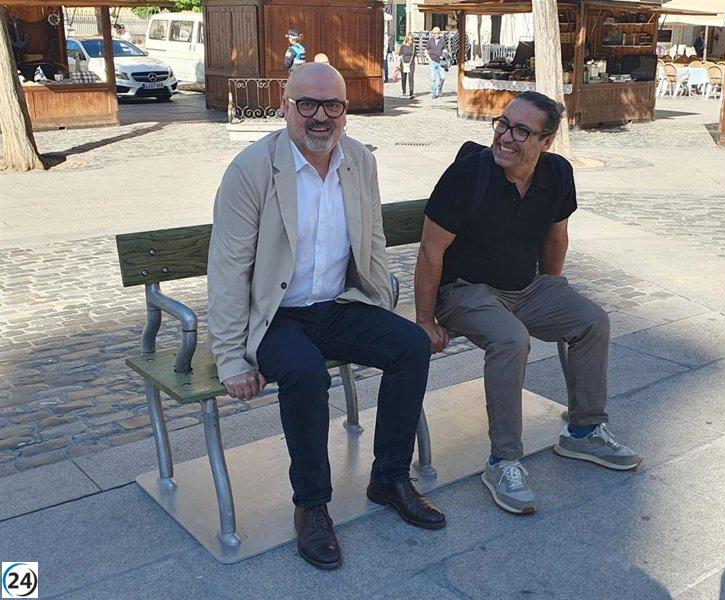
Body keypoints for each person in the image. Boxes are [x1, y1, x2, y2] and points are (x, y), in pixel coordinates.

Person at [207, 63, 445, 571]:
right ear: (284, 106)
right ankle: (312, 506)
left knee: (410, 345)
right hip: (275, 317)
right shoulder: (252, 169)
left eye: (333, 105)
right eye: (307, 104)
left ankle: (389, 478)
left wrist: (381, 308)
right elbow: (227, 269)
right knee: (305, 371)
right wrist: (229, 357)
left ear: (346, 110)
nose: (321, 116)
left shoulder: (359, 160)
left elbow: (372, 242)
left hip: (336, 307)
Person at [414, 91, 642, 515]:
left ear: (546, 141)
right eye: (503, 124)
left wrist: (551, 290)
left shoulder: (556, 174)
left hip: (526, 287)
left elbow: (557, 237)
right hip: (464, 291)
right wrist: (425, 320)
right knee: (511, 339)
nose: (506, 137)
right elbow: (430, 251)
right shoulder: (467, 176)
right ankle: (503, 460)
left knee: (593, 320)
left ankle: (583, 432)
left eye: (522, 130)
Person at [424, 27, 447, 98]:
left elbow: (445, 50)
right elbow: (425, 50)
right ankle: (433, 93)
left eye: (438, 33)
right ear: (432, 34)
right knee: (433, 78)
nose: (436, 34)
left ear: (440, 33)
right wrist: (428, 58)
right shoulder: (430, 41)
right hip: (432, 61)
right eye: (434, 33)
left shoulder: (442, 41)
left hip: (440, 61)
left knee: (442, 77)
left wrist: (444, 55)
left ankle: (439, 88)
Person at [399, 34, 416, 99]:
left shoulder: (414, 47)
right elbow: (399, 55)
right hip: (403, 63)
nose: (411, 41)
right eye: (409, 39)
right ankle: (404, 92)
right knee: (403, 78)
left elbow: (415, 55)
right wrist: (398, 65)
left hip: (411, 64)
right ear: (407, 40)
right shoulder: (403, 46)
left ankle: (411, 93)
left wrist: (416, 63)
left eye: (412, 39)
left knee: (411, 78)